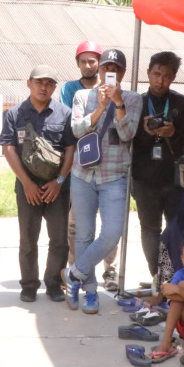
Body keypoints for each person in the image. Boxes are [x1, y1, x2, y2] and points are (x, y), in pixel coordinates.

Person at [64, 48, 141, 315]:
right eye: (106, 67)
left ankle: (74, 274)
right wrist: (99, 108)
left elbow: (128, 133)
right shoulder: (82, 95)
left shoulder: (132, 99)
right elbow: (77, 129)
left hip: (114, 176)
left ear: (122, 72)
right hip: (83, 175)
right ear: (99, 70)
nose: (111, 72)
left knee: (111, 233)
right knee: (83, 235)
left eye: (116, 68)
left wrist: (117, 103)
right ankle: (91, 291)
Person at [0, 65, 75, 303]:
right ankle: (29, 284)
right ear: (29, 82)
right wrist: (27, 183)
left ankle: (54, 283)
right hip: (27, 187)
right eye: (39, 82)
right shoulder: (15, 114)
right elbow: (9, 149)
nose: (44, 87)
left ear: (54, 87)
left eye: (50, 83)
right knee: (28, 240)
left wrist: (59, 181)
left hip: (58, 188)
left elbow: (71, 149)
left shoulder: (65, 113)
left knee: (59, 240)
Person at [59, 40, 119, 293]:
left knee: (110, 226)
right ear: (77, 63)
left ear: (100, 64)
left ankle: (110, 269)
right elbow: (71, 123)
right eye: (83, 61)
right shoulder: (71, 90)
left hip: (111, 166)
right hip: (80, 163)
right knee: (77, 225)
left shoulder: (113, 90)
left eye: (92, 61)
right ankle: (78, 269)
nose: (87, 65)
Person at [129, 51, 184, 282]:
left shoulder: (183, 104)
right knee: (150, 230)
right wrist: (147, 134)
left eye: (167, 76)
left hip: (174, 177)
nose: (160, 80)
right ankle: (157, 275)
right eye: (156, 74)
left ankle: (177, 276)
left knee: (177, 228)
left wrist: (173, 132)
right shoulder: (136, 103)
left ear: (174, 77)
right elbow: (129, 141)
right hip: (144, 178)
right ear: (148, 73)